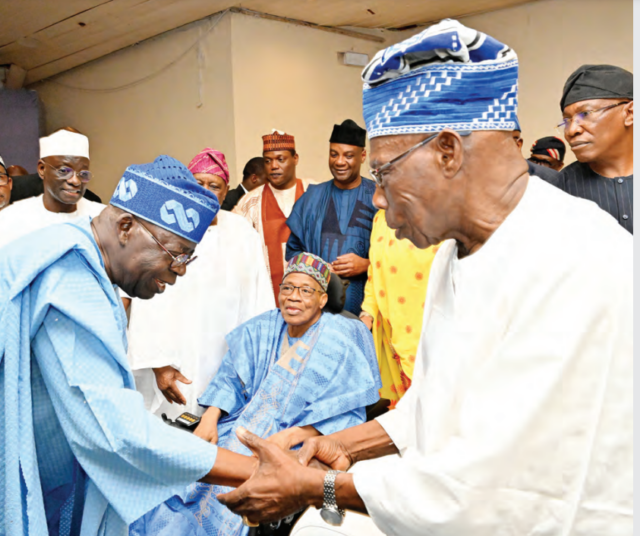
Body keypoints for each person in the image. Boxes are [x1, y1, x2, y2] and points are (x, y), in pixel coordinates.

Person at [217, 20, 632, 536]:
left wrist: (313, 488)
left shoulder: (574, 256)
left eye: (385, 172)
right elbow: (435, 405)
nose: (377, 198)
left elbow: (495, 490)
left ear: (448, 151)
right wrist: (336, 446)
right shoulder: (454, 253)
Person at [0, 156, 261, 536]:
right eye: (176, 254)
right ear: (125, 227)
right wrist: (258, 471)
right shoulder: (69, 273)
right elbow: (116, 433)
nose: (181, 270)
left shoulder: (72, 248)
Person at [131, 252, 381, 536]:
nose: (293, 297)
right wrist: (210, 420)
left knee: (236, 495)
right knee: (183, 476)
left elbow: (347, 410)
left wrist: (294, 434)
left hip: (301, 441)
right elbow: (231, 378)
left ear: (323, 299)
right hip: (242, 426)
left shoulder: (343, 335)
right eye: (287, 288)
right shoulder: (264, 326)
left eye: (305, 290)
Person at [128, 148, 272, 420]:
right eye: (198, 184)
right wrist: (158, 365)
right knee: (176, 431)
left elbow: (260, 298)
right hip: (176, 358)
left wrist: (256, 358)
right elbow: (146, 302)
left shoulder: (242, 232)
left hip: (228, 357)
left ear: (226, 189)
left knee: (222, 430)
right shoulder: (165, 230)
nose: (205, 191)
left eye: (214, 185)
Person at [0, 128, 105, 270]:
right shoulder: (11, 218)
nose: (75, 181)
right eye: (63, 171)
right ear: (42, 169)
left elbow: (122, 273)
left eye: (83, 173)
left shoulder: (103, 216)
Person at [286, 119, 376, 316]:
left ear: (362, 156)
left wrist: (367, 264)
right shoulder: (312, 197)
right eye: (334, 154)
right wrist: (314, 266)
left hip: (366, 316)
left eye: (348, 155)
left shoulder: (378, 198)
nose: (340, 161)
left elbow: (395, 256)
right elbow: (293, 252)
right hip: (315, 314)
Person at [359, 210, 437, 410]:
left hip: (429, 326)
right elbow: (373, 272)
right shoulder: (380, 218)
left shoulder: (440, 214)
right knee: (404, 413)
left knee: (433, 403)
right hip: (389, 326)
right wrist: (367, 312)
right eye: (378, 177)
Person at [234, 130, 312, 303]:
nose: (273, 166)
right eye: (268, 161)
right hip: (267, 299)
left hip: (311, 296)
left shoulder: (314, 192)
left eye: (280, 159)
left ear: (295, 159)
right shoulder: (250, 202)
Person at [556, 64, 633, 233]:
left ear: (630, 114)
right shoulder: (559, 191)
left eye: (586, 114)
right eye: (566, 121)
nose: (571, 131)